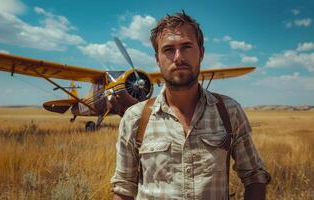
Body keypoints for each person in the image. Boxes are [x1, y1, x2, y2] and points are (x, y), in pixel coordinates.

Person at [111, 11, 270, 200]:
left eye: (186, 46)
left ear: (201, 53)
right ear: (157, 58)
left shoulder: (230, 111)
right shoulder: (134, 117)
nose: (178, 57)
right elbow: (124, 188)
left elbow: (254, 175)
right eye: (168, 49)